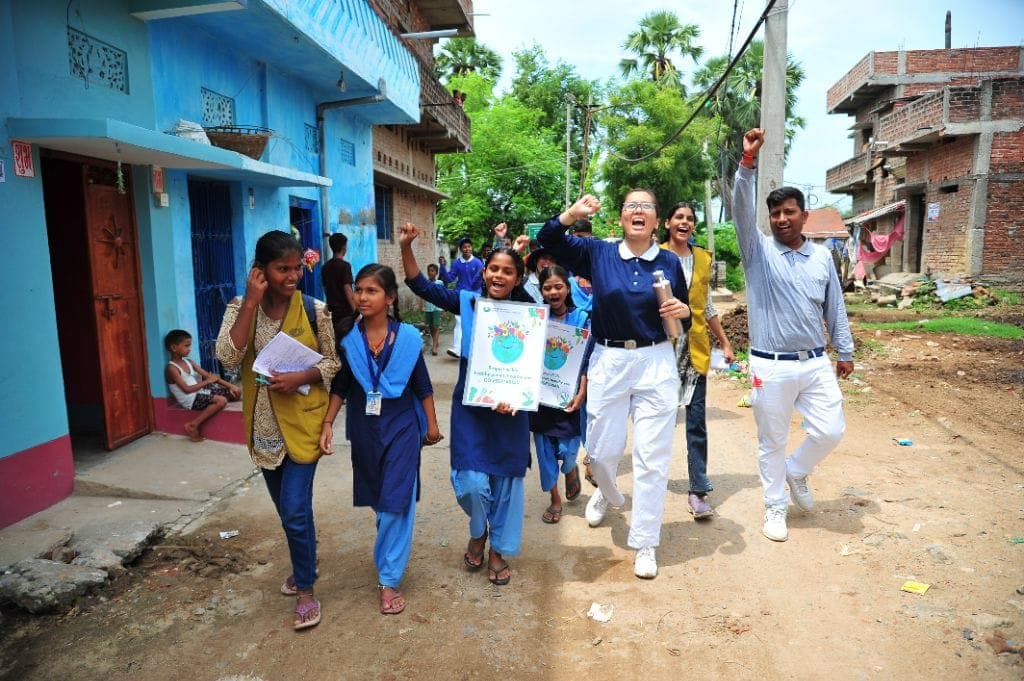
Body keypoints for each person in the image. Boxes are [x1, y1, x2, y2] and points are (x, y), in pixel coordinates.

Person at [538, 190, 691, 579]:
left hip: (655, 361)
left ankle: (645, 542)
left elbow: (684, 317)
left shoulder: (670, 261)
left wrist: (684, 311)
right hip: (608, 358)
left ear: (658, 221)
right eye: (631, 206)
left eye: (647, 207)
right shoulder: (599, 254)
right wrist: (572, 213)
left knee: (652, 458)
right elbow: (548, 241)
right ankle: (607, 492)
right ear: (621, 217)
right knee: (603, 452)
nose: (639, 212)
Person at [734, 128, 854, 543]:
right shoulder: (758, 252)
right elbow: (739, 210)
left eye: (789, 211)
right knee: (772, 440)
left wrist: (845, 349)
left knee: (830, 430)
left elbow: (834, 307)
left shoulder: (821, 257)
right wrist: (747, 165)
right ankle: (774, 506)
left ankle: (797, 471)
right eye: (775, 214)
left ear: (804, 215)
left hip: (816, 361)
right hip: (770, 364)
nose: (781, 219)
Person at [216, 230, 339, 631]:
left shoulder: (314, 309)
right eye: (280, 269)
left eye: (296, 268)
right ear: (260, 271)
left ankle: (305, 588)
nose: (291, 277)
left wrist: (301, 374)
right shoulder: (239, 306)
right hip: (264, 427)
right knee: (290, 512)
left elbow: (332, 365)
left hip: (304, 423)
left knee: (293, 511)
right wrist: (251, 302)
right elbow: (228, 358)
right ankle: (309, 556)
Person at [401, 222, 532, 587]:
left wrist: (517, 398)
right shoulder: (467, 301)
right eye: (494, 268)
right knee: (471, 484)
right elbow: (421, 286)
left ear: (518, 277)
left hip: (511, 413)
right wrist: (407, 247)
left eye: (508, 271)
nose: (499, 275)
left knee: (506, 484)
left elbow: (536, 359)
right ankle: (478, 530)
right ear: (484, 272)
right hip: (472, 411)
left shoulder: (529, 311)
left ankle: (498, 550)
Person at [319, 264, 443, 616]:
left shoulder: (406, 339)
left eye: (371, 291)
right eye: (359, 290)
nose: (362, 297)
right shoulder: (350, 340)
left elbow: (422, 385)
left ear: (389, 298)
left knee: (396, 502)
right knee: (380, 498)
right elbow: (341, 386)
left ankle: (388, 579)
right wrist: (328, 423)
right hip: (365, 428)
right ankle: (390, 547)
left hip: (403, 426)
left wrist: (431, 425)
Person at [661, 202, 735, 519]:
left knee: (696, 422)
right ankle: (648, 481)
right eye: (679, 217)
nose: (685, 222)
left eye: (690, 219)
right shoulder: (655, 255)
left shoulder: (703, 258)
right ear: (667, 223)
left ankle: (698, 489)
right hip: (660, 350)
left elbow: (707, 307)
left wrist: (725, 342)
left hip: (695, 350)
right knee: (658, 422)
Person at [531, 266, 589, 524]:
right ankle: (555, 500)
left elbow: (587, 359)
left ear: (568, 288)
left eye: (558, 286)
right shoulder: (535, 318)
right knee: (545, 455)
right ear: (541, 291)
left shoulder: (582, 319)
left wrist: (582, 392)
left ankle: (570, 468)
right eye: (547, 288)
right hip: (541, 400)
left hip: (570, 398)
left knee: (567, 450)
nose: (553, 292)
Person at [164, 329, 240, 442]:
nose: (189, 349)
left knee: (235, 393)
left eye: (189, 345)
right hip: (190, 399)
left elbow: (209, 376)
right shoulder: (172, 368)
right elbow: (187, 390)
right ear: (174, 348)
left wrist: (230, 386)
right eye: (186, 346)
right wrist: (207, 382)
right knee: (221, 401)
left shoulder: (189, 362)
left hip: (199, 392)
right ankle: (193, 425)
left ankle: (216, 399)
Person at [438, 237, 483, 358]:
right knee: (459, 322)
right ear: (461, 249)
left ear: (471, 248)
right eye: (464, 247)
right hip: (460, 295)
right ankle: (457, 349)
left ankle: (474, 349)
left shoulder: (478, 263)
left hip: (474, 296)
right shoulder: (457, 263)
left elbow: (480, 281)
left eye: (469, 246)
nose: (467, 249)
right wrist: (442, 267)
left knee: (474, 323)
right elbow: (449, 278)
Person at [322, 232, 356, 340]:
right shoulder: (345, 266)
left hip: (332, 312)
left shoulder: (325, 267)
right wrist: (356, 312)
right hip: (345, 313)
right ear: (344, 247)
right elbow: (348, 290)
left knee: (336, 341)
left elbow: (325, 288)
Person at [423, 263, 444, 355]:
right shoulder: (425, 283)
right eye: (429, 271)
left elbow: (443, 296)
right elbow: (422, 295)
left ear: (436, 273)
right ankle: (436, 341)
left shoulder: (440, 283)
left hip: (437, 307)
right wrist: (422, 305)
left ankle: (434, 347)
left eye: (432, 271)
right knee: (431, 326)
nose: (430, 273)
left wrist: (444, 307)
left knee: (436, 326)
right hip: (428, 307)